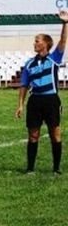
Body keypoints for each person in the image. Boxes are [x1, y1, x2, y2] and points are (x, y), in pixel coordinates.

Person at [15, 11, 68, 175]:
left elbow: (63, 41)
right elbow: (24, 85)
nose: (34, 43)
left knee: (55, 133)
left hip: (51, 100)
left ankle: (56, 168)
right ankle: (30, 168)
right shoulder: (29, 64)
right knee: (33, 135)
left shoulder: (54, 58)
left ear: (45, 44)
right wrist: (20, 106)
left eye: (37, 41)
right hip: (35, 101)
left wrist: (65, 23)